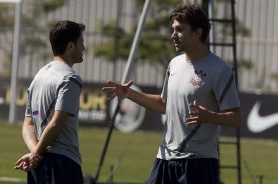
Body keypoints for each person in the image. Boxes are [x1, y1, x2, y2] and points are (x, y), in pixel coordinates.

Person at [102, 3, 242, 184]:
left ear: (198, 33)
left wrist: (210, 116)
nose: (172, 35)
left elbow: (236, 119)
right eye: (173, 29)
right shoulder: (174, 64)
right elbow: (164, 104)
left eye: (179, 30)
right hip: (165, 157)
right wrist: (129, 94)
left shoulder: (220, 70)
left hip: (199, 163)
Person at [14, 20, 85, 184]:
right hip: (62, 163)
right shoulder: (70, 78)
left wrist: (34, 153)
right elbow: (55, 124)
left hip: (37, 164)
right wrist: (36, 154)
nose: (84, 47)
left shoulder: (39, 76)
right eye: (81, 42)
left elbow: (28, 124)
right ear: (70, 46)